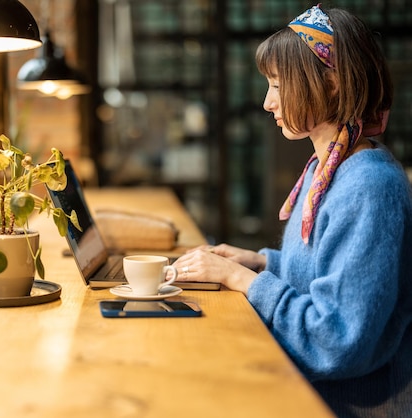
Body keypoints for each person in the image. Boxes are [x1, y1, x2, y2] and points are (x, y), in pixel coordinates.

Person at [172, 5, 412, 417]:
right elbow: (328, 275)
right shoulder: (329, 167)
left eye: (278, 86)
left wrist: (242, 280)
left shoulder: (369, 187)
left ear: (332, 83)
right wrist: (263, 263)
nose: (267, 103)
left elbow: (337, 341)